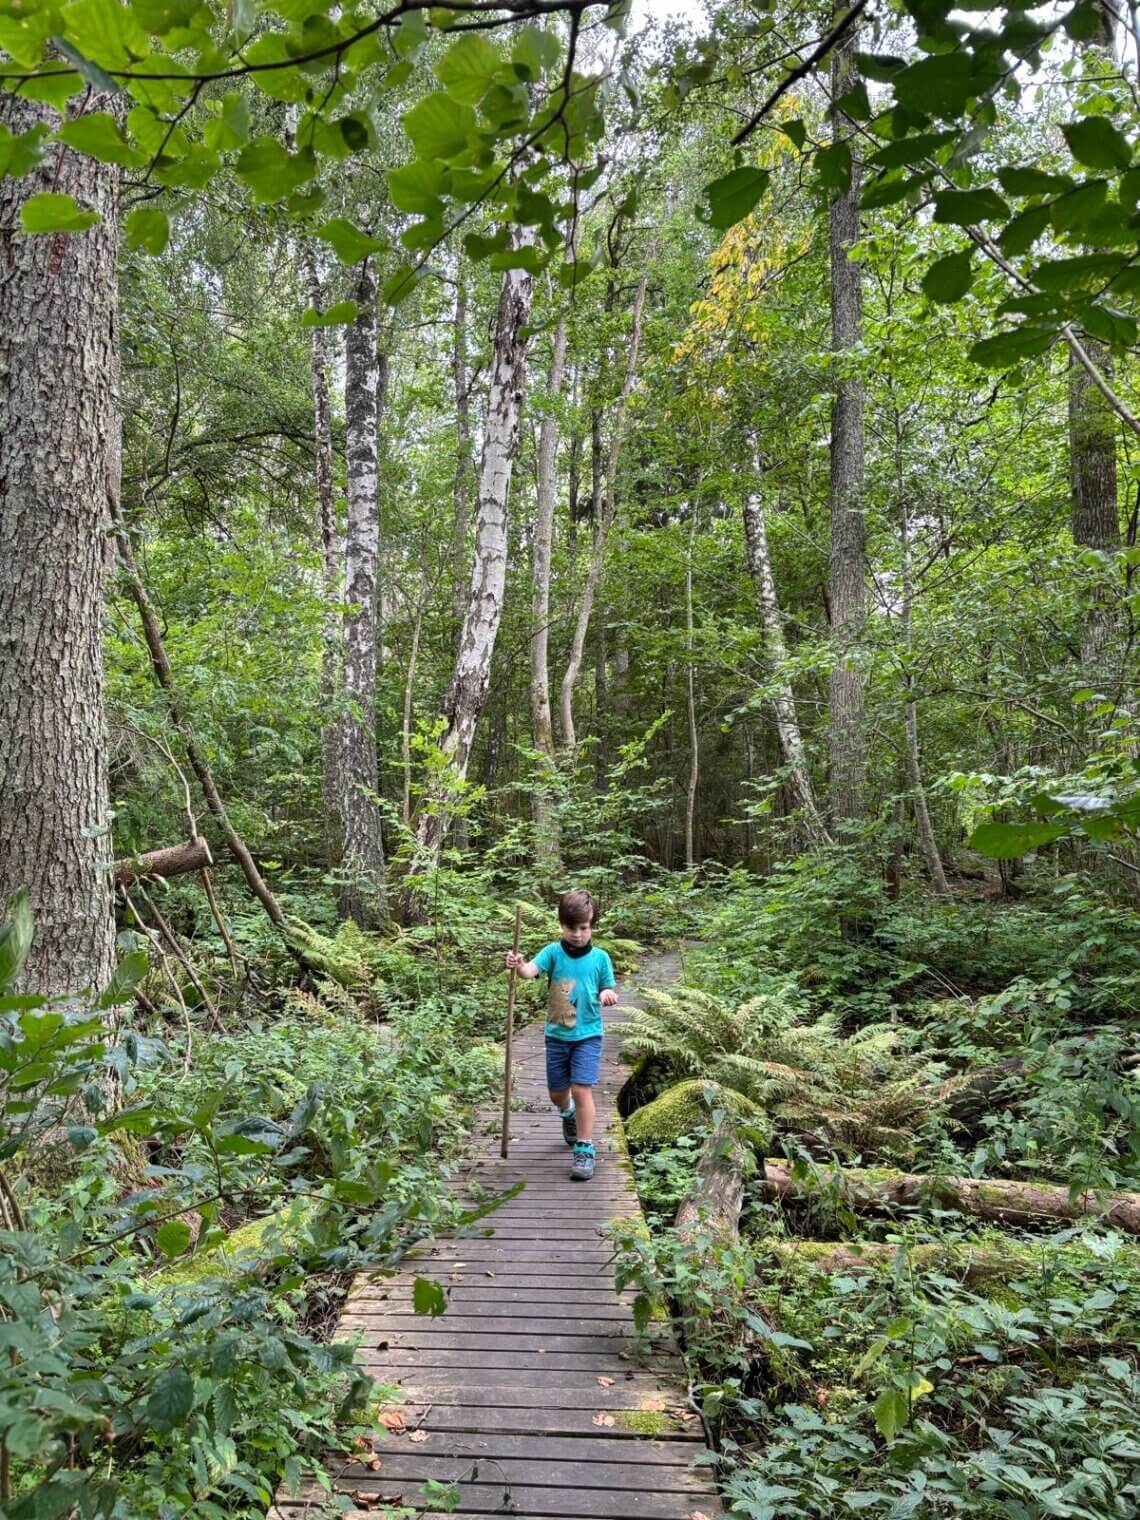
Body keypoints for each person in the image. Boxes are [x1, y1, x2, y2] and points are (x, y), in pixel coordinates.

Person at [504, 889, 619, 1181]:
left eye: (584, 927)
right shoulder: (553, 952)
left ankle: (584, 1148)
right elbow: (531, 971)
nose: (578, 934)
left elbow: (608, 986)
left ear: (592, 925)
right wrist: (519, 966)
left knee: (582, 1089)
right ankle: (566, 1113)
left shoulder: (600, 957)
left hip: (588, 1035)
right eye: (571, 927)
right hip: (556, 1035)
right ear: (562, 925)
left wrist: (607, 993)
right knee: (558, 1094)